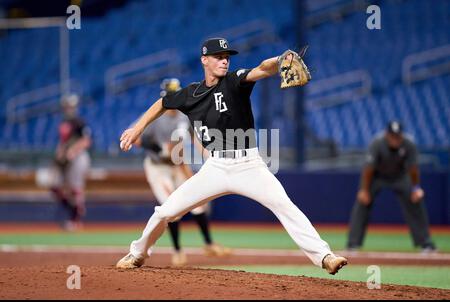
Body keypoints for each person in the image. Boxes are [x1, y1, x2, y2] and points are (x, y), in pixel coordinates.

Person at [116, 37, 347, 275]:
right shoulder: (190, 94)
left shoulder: (234, 81)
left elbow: (261, 69)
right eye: (218, 57)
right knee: (165, 212)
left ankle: (325, 256)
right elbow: (162, 103)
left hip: (249, 165)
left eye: (227, 57)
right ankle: (137, 254)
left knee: (283, 205)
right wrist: (137, 129)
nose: (224, 61)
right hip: (215, 166)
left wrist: (279, 61)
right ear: (204, 60)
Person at [134, 78, 231, 266]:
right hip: (158, 167)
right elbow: (136, 138)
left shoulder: (183, 116)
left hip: (177, 164)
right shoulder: (156, 116)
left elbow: (195, 140)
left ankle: (208, 244)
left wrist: (210, 158)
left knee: (198, 204)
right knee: (171, 206)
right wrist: (160, 148)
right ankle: (177, 251)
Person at [347, 121, 436, 252]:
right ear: (387, 135)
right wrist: (364, 190)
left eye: (397, 136)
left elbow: (413, 168)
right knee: (362, 202)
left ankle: (426, 243)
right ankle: (352, 244)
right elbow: (368, 169)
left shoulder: (409, 144)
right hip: (377, 177)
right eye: (392, 136)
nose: (395, 139)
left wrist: (416, 188)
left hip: (400, 176)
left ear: (401, 135)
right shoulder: (377, 143)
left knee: (416, 201)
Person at [49, 94, 91, 231]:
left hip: (78, 157)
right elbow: (63, 142)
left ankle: (75, 219)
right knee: (55, 186)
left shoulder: (80, 122)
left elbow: (86, 141)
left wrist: (73, 150)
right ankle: (74, 210)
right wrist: (60, 153)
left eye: (70, 106)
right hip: (65, 159)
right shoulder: (63, 122)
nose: (68, 109)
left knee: (75, 188)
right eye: (66, 106)